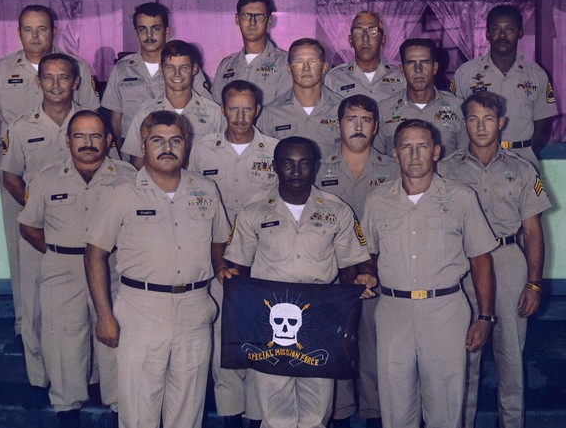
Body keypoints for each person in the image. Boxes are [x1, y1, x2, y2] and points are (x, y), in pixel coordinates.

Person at [85, 110, 229, 428]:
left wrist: (219, 268)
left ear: (186, 143)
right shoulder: (122, 194)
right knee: (139, 413)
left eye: (175, 140)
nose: (167, 148)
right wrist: (105, 316)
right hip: (141, 311)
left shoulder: (206, 190)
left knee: (188, 413)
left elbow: (220, 241)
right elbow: (94, 254)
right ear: (144, 144)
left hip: (195, 310)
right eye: (158, 140)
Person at [222, 136, 371, 428]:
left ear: (314, 167)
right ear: (274, 166)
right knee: (275, 413)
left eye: (304, 163)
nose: (296, 170)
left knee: (317, 413)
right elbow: (237, 268)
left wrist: (355, 293)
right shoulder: (253, 211)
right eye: (288, 163)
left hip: (320, 323)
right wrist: (230, 277)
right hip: (269, 324)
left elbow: (350, 267)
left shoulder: (336, 209)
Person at [359, 119, 497, 428]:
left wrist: (485, 317)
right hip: (393, 312)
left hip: (445, 311)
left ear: (436, 152)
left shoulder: (461, 197)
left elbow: (481, 260)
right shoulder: (377, 201)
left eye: (422, 146)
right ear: (395, 153)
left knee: (446, 411)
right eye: (406, 147)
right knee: (395, 411)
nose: (415, 155)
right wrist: (365, 273)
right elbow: (368, 254)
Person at [0, 4, 99, 340]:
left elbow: (94, 119)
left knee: (71, 251)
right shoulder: (2, 69)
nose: (35, 36)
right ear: (18, 32)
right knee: (24, 254)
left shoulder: (76, 68)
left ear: (54, 30)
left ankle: (77, 323)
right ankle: (25, 323)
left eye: (42, 29)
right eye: (28, 29)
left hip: (72, 180)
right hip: (20, 176)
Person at [437, 92, 551, 428]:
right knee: (463, 357)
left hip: (506, 260)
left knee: (510, 358)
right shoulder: (445, 169)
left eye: (488, 118)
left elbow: (532, 231)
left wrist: (533, 281)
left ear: (501, 122)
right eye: (473, 118)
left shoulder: (521, 168)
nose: (481, 126)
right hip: (462, 268)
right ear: (464, 123)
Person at [18, 110, 136, 428]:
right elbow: (28, 226)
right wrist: (59, 253)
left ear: (109, 140)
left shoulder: (128, 178)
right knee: (63, 340)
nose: (88, 143)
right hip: (62, 268)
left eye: (96, 135)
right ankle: (67, 408)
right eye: (80, 136)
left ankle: (117, 404)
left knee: (114, 334)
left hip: (111, 267)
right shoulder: (46, 177)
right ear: (68, 140)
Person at [188, 79, 278, 428]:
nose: (240, 116)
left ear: (257, 109)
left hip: (262, 262)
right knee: (225, 342)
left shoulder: (274, 149)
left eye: (247, 108)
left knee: (260, 340)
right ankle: (230, 416)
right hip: (218, 259)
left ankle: (256, 416)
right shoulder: (201, 150)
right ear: (222, 110)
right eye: (233, 108)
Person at [1, 53, 91, 387]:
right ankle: (40, 381)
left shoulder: (89, 122)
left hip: (81, 233)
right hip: (36, 231)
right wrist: (36, 211)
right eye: (48, 77)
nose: (56, 84)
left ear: (76, 81)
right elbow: (10, 175)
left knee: (87, 306)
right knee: (36, 310)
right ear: (38, 82)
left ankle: (89, 378)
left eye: (63, 77)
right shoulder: (22, 126)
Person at [315, 94, 399, 428]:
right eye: (352, 119)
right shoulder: (320, 168)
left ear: (376, 126)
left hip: (376, 275)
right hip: (331, 275)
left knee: (375, 351)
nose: (359, 126)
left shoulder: (393, 169)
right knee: (336, 349)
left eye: (366, 120)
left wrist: (370, 271)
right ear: (339, 124)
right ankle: (339, 415)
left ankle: (375, 415)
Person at [450, 5, 558, 166]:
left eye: (509, 29)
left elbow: (543, 122)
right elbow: (455, 120)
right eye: (496, 29)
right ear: (487, 34)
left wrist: (525, 151)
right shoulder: (466, 73)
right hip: (477, 162)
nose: (502, 35)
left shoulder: (536, 75)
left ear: (520, 33)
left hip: (523, 161)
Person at [102, 2, 211, 150]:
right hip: (134, 153)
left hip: (176, 150)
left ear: (166, 31)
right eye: (142, 29)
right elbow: (116, 122)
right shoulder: (121, 69)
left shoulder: (184, 68)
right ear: (135, 32)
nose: (149, 35)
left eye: (155, 28)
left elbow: (206, 110)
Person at [121, 40, 224, 168]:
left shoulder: (214, 113)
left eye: (184, 67)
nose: (177, 74)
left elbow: (223, 161)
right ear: (161, 69)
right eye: (170, 67)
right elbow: (136, 164)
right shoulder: (146, 112)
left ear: (194, 69)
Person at [376, 38, 468, 159]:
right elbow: (377, 161)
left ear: (434, 68)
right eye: (410, 63)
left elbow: (466, 159)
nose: (418, 69)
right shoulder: (383, 110)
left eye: (424, 62)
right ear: (402, 69)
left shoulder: (458, 107)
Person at [256, 38, 343, 159]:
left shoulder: (343, 110)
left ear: (324, 67)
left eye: (312, 61)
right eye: (299, 62)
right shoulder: (270, 114)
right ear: (288, 68)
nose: (306, 68)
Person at [211, 0, 292, 107]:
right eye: (246, 16)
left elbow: (282, 112)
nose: (252, 22)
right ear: (237, 19)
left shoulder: (284, 64)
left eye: (259, 16)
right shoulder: (226, 66)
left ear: (269, 20)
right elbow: (217, 110)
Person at [325, 11, 403, 101]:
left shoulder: (400, 76)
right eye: (358, 32)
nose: (365, 38)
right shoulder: (334, 78)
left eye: (373, 31)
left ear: (383, 40)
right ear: (351, 40)